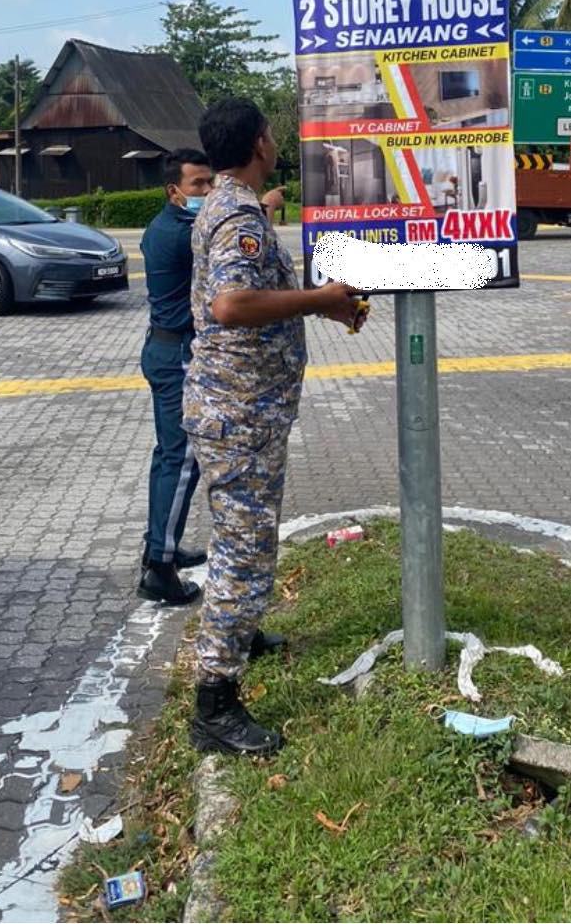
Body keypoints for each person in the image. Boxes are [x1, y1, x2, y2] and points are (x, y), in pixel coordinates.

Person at [185, 98, 363, 757]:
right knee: (243, 551)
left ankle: (243, 634)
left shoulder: (230, 204)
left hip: (240, 413)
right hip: (239, 416)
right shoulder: (235, 214)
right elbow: (232, 303)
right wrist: (320, 301)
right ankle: (215, 705)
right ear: (261, 142)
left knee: (243, 537)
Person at [136, 149, 215, 607]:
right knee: (182, 458)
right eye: (198, 186)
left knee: (168, 455)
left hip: (163, 348)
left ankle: (160, 545)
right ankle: (159, 569)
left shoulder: (162, 224)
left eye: (210, 183)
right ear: (174, 192)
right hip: (176, 354)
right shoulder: (180, 234)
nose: (207, 193)